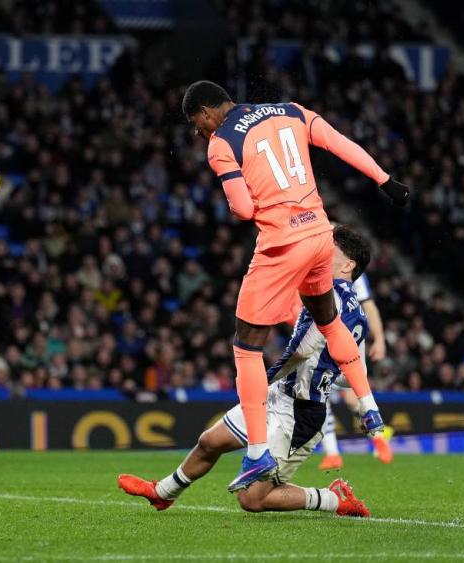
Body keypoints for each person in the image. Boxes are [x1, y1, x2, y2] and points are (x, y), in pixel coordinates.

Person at [182, 80, 409, 490]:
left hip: (281, 244)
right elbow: (341, 145)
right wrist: (386, 181)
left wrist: (256, 201)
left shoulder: (220, 143)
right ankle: (370, 407)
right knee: (329, 321)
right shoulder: (291, 110)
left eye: (196, 125)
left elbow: (241, 207)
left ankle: (256, 452)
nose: (199, 133)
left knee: (246, 344)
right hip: (321, 234)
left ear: (205, 111)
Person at [118, 226, 380, 517]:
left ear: (348, 265)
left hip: (299, 414)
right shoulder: (357, 313)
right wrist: (323, 374)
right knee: (210, 442)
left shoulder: (330, 296)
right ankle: (163, 493)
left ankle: (333, 499)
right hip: (278, 395)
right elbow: (353, 372)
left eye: (328, 248)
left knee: (252, 500)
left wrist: (267, 376)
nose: (318, 251)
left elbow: (304, 350)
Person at [318, 271, 392, 470]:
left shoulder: (354, 274)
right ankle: (334, 453)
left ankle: (377, 437)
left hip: (346, 342)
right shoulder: (319, 265)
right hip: (323, 340)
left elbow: (368, 306)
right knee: (321, 394)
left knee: (344, 396)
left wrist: (380, 339)